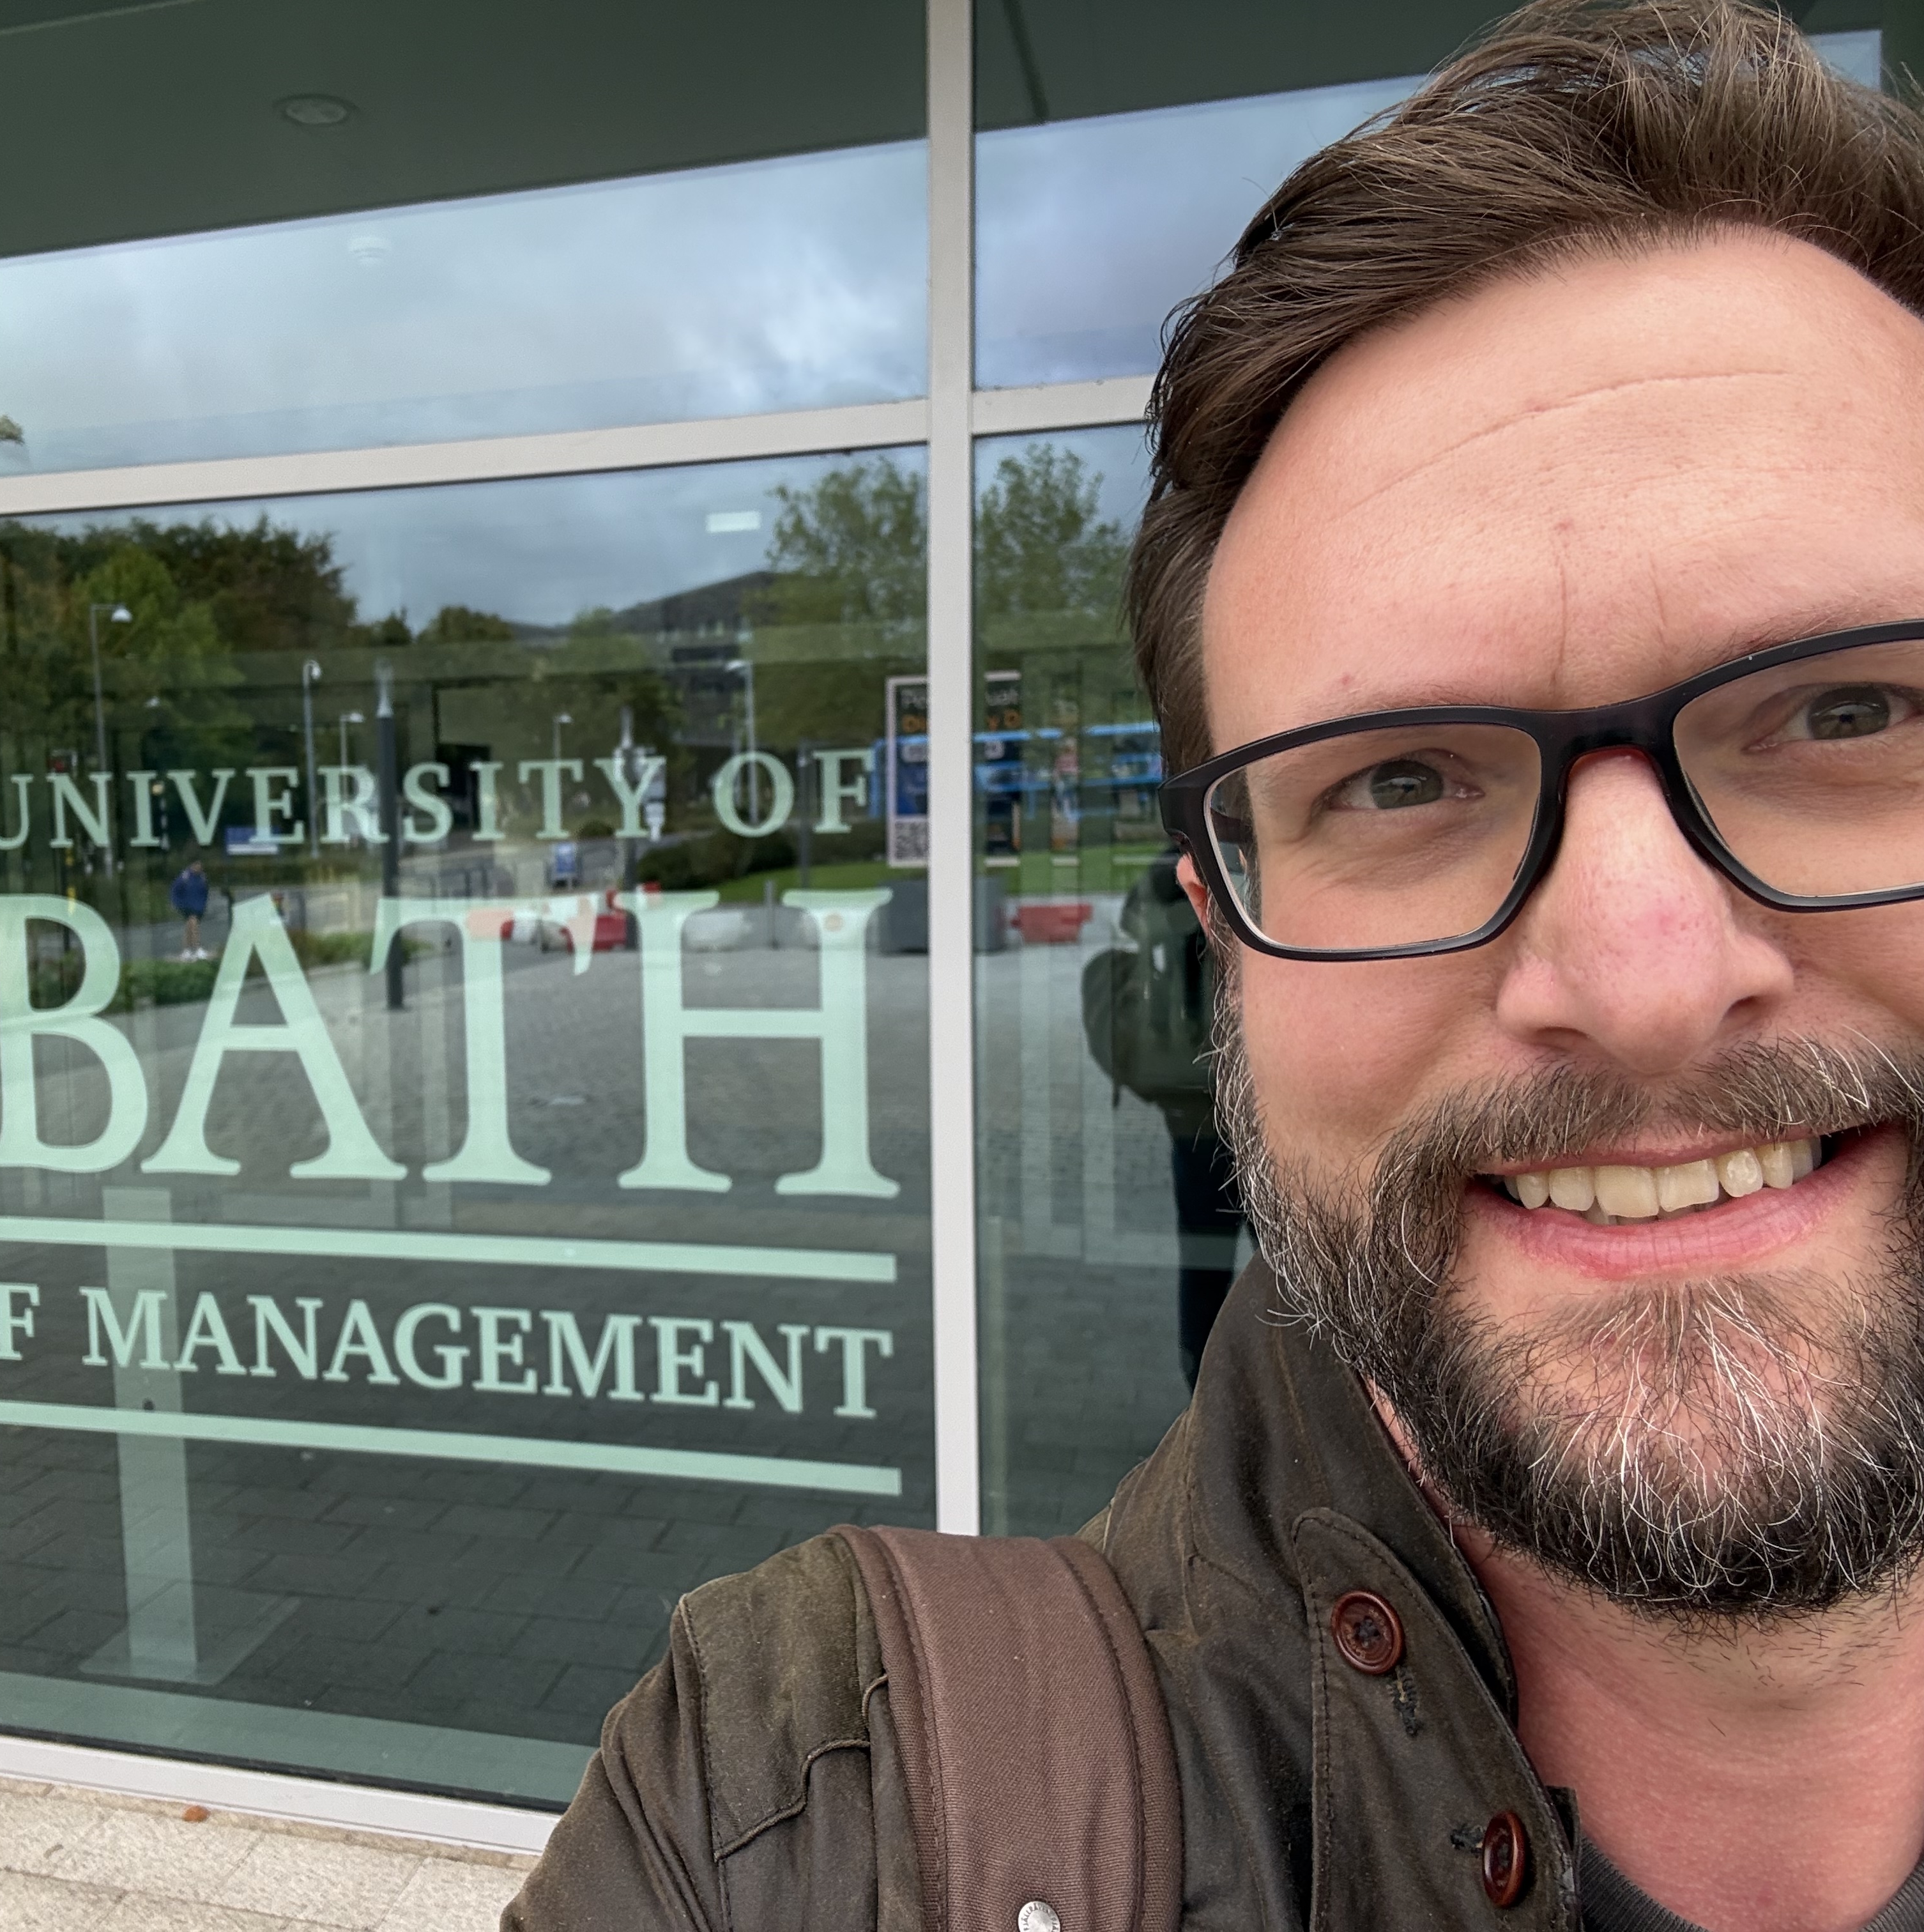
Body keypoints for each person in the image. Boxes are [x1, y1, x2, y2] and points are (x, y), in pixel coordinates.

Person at [505, 6, 1924, 1928]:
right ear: (1227, 927)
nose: (1647, 970)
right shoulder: (808, 1817)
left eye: (1848, 711)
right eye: (1402, 777)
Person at [1084, 846, 1251, 1383]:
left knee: (1205, 1255)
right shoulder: (1227, 863)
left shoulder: (1165, 870)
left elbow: (1131, 922)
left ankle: (1202, 1380)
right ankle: (1252, 1388)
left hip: (1192, 1104)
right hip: (1233, 1101)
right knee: (1284, 1258)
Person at [171, 852, 211, 960]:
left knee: (189, 928)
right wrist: (178, 904)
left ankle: (187, 951)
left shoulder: (202, 878)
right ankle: (197, 949)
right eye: (197, 865)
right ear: (192, 865)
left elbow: (205, 892)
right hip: (187, 907)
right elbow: (175, 891)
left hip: (198, 907)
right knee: (194, 925)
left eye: (200, 865)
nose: (199, 867)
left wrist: (203, 905)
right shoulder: (185, 877)